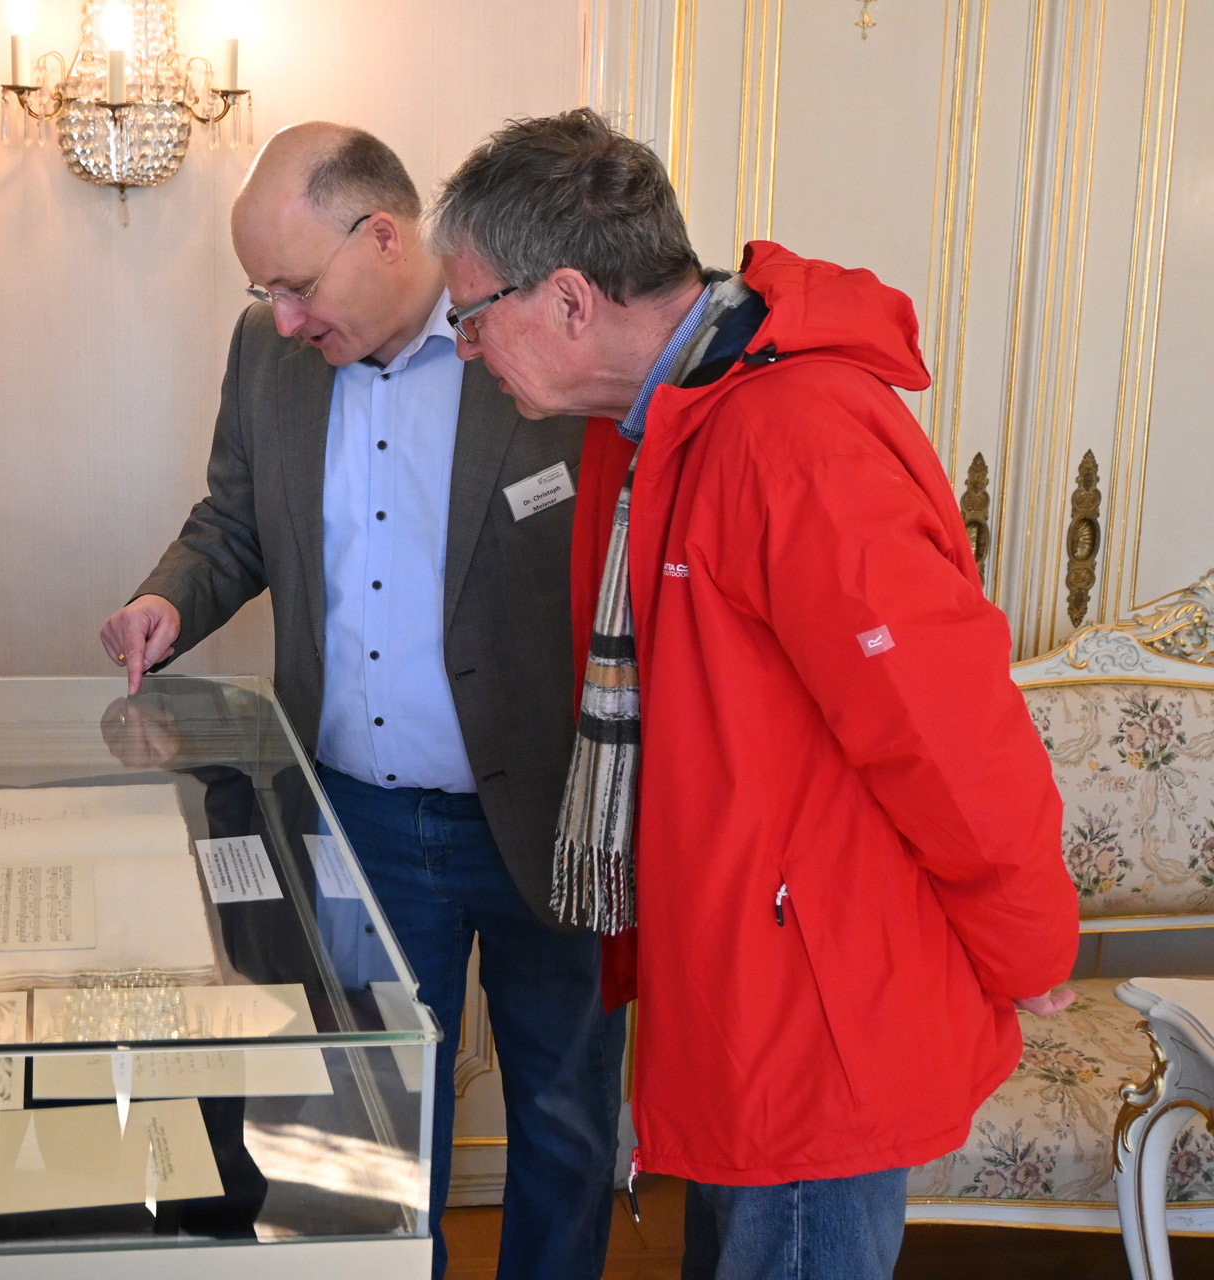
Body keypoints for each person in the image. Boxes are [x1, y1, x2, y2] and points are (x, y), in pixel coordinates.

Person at [424, 109, 1080, 1280]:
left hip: (820, 1008)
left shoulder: (791, 436)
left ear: (568, 298)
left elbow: (946, 730)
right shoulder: (659, 428)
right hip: (749, 980)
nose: (467, 349)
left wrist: (1029, 945)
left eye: (472, 315)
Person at [98, 122, 626, 1280]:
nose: (285, 317)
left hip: (548, 813)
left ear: (383, 234)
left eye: (296, 284)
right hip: (359, 823)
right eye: (267, 292)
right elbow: (233, 521)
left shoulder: (533, 333)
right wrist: (167, 598)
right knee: (364, 1128)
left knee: (566, 1119)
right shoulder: (267, 352)